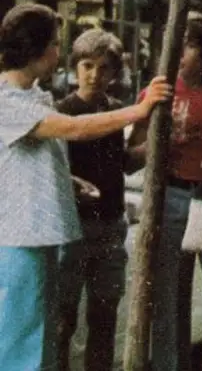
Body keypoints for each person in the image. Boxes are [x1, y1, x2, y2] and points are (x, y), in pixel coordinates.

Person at [0, 4, 169, 370]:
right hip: (20, 240)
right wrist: (138, 112)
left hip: (42, 236)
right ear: (40, 49)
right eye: (56, 44)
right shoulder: (8, 101)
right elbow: (74, 128)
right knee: (21, 343)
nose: (58, 53)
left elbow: (29, 162)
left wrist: (68, 182)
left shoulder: (34, 96)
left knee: (38, 339)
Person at [129, 12, 202, 371]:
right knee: (169, 298)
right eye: (172, 45)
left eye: (188, 45)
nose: (178, 54)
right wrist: (155, 145)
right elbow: (131, 157)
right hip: (171, 198)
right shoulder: (156, 91)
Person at [55, 30, 147, 371]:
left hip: (110, 227)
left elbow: (123, 163)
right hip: (72, 228)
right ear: (74, 67)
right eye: (87, 65)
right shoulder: (62, 111)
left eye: (104, 68)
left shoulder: (115, 111)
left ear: (114, 73)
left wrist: (152, 145)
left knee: (105, 316)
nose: (94, 75)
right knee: (63, 319)